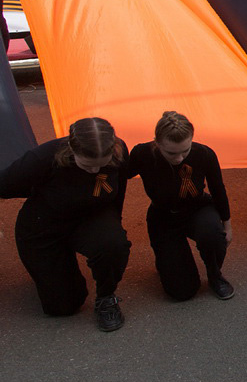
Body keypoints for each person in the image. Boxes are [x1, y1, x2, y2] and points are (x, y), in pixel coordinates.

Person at [0, 117, 130, 331]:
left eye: (102, 164)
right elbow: (4, 185)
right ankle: (52, 272)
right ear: (71, 149)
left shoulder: (120, 150)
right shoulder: (42, 158)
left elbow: (120, 190)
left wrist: (114, 223)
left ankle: (106, 298)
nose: (95, 171)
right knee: (63, 306)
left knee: (113, 244)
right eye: (88, 165)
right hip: (45, 224)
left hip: (92, 216)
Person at [128, 111, 233, 301]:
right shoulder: (142, 154)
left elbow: (218, 189)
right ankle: (168, 261)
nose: (179, 159)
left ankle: (214, 274)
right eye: (171, 153)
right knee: (182, 292)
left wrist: (227, 224)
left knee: (214, 237)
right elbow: (119, 176)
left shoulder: (204, 154)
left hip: (198, 208)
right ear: (157, 142)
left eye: (185, 150)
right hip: (163, 216)